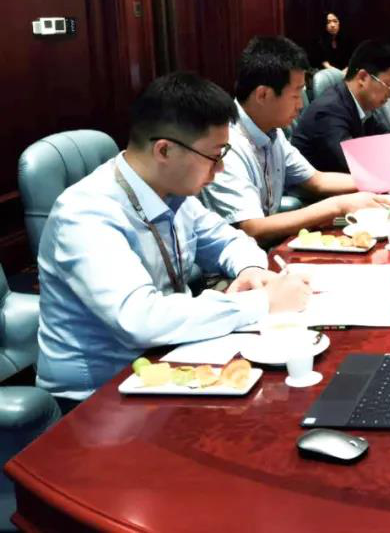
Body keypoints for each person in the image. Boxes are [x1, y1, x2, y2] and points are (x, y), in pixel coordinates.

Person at [35, 72, 312, 406]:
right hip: (97, 396)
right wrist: (262, 302)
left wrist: (251, 270)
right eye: (215, 155)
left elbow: (228, 240)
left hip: (170, 362)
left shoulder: (171, 191)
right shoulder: (86, 214)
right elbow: (141, 319)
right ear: (164, 150)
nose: (220, 169)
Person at [200, 36, 390, 246]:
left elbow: (317, 181)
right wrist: (338, 206)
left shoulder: (273, 132)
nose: (301, 105)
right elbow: (251, 229)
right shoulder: (226, 144)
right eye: (295, 96)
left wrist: (384, 181)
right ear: (263, 95)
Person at [291, 40, 390, 173]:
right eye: (389, 85)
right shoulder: (329, 110)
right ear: (363, 77)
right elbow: (353, 162)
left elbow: (384, 141)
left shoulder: (363, 106)